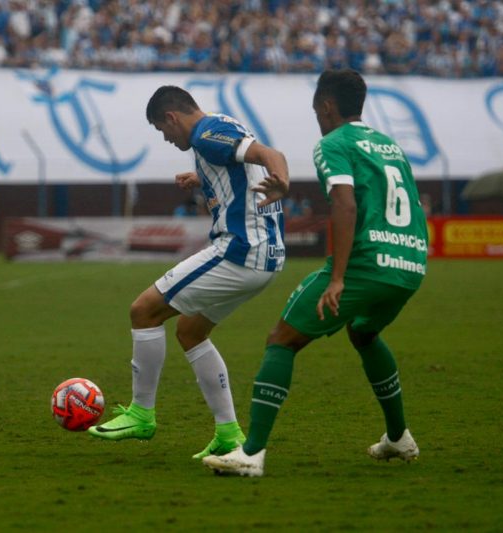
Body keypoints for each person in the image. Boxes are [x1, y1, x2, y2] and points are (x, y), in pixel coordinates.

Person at [203, 69, 429, 477]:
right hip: (410, 263)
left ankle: (251, 454)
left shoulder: (332, 143)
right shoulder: (388, 144)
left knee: (282, 339)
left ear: (326, 106)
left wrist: (339, 277)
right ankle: (398, 438)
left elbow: (344, 205)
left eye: (316, 110)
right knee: (363, 332)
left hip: (367, 263)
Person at [88, 86, 290, 460]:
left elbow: (269, 154)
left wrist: (282, 179)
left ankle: (141, 413)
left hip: (240, 250)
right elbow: (239, 163)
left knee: (143, 310)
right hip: (268, 256)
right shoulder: (220, 126)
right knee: (190, 331)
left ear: (172, 117)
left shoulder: (206, 135)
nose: (166, 139)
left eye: (163, 131)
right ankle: (229, 434)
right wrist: (203, 178)